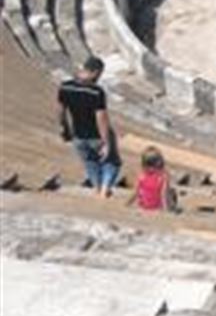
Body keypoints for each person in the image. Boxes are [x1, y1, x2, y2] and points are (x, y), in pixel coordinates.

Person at [57, 56, 121, 197]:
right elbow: (101, 119)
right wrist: (106, 142)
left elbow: (61, 112)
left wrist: (65, 129)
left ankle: (97, 189)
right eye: (100, 74)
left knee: (90, 163)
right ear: (95, 72)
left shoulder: (65, 87)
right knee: (112, 163)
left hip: (78, 135)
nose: (99, 77)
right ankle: (104, 190)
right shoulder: (96, 92)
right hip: (96, 136)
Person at [131, 146, 177, 212]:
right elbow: (163, 194)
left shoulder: (141, 175)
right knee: (172, 192)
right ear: (159, 162)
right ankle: (172, 207)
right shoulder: (163, 176)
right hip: (157, 207)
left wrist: (126, 204)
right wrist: (166, 210)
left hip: (143, 206)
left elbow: (135, 193)